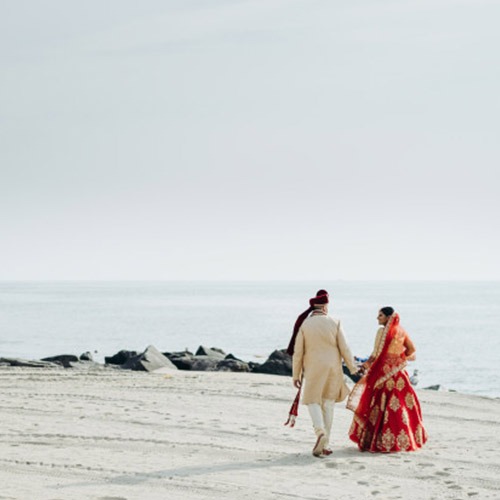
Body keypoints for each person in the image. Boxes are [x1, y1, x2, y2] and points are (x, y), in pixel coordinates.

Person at [288, 290, 358, 457]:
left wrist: (296, 375)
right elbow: (345, 348)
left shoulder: (305, 325)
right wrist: (353, 368)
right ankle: (325, 445)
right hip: (333, 368)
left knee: (312, 400)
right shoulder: (335, 322)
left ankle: (319, 431)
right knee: (328, 403)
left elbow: (298, 353)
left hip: (312, 368)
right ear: (325, 306)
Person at [347, 307, 427, 452]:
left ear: (388, 317)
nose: (378, 318)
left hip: (383, 375)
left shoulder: (382, 332)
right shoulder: (401, 331)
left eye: (380, 316)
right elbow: (411, 349)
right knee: (401, 406)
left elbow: (376, 354)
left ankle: (379, 442)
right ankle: (405, 440)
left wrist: (365, 366)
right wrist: (398, 359)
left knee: (380, 406)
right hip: (399, 375)